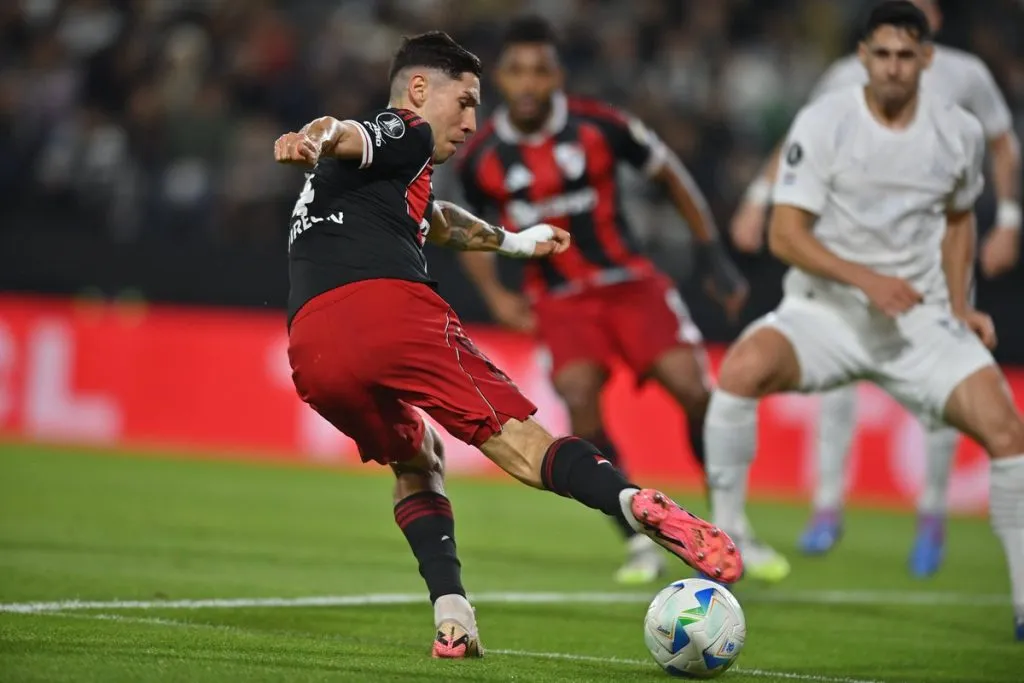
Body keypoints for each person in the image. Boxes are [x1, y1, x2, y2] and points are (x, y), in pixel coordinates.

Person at [274, 31, 742, 659]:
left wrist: (516, 242)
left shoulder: (376, 182)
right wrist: (313, 135)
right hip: (390, 310)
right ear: (420, 90)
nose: (472, 122)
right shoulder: (404, 129)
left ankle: (452, 617)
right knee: (524, 446)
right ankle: (636, 504)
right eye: (465, 103)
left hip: (312, 347)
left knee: (416, 457)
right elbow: (345, 131)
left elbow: (438, 220)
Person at [703, 1, 1024, 640]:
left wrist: (959, 305)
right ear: (863, 57)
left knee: (1006, 429)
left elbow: (960, 218)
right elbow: (787, 236)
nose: (894, 67)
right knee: (740, 371)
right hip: (827, 314)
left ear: (927, 59)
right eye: (882, 55)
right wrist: (867, 280)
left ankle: (1020, 600)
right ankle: (725, 542)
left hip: (918, 324)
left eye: (906, 56)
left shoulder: (958, 130)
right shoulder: (826, 120)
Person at [454, 16, 758, 585]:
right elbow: (466, 224)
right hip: (559, 299)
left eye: (540, 70)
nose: (528, 83)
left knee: (695, 391)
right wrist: (494, 293)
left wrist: (712, 253)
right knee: (580, 403)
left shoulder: (601, 125)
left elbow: (670, 175)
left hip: (629, 282)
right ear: (501, 77)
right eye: (517, 71)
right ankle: (638, 536)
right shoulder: (482, 154)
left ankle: (732, 525)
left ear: (558, 76)